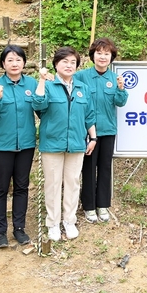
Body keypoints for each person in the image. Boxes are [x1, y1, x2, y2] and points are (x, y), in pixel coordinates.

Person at [33, 47, 97, 242]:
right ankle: (52, 223)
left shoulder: (82, 88)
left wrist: (93, 138)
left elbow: (89, 115)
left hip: (77, 143)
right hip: (52, 143)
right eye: (64, 62)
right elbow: (38, 104)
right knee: (52, 185)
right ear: (56, 64)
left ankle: (69, 221)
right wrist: (42, 80)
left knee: (72, 182)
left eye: (72, 62)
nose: (69, 65)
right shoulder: (49, 85)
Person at [0, 45, 38, 248]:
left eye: (18, 60)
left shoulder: (32, 83)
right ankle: (0, 232)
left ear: (24, 63)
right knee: (1, 188)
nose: (14, 64)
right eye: (10, 60)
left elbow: (42, 108)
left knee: (22, 188)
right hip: (3, 146)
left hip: (26, 145)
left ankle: (19, 229)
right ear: (3, 64)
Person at [74, 38, 129, 224]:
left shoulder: (115, 78)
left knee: (105, 168)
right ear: (93, 56)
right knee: (88, 169)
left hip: (108, 131)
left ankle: (103, 205)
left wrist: (121, 88)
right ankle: (89, 206)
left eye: (107, 54)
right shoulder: (81, 77)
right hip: (87, 132)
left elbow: (120, 102)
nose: (103, 57)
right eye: (99, 53)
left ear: (112, 57)